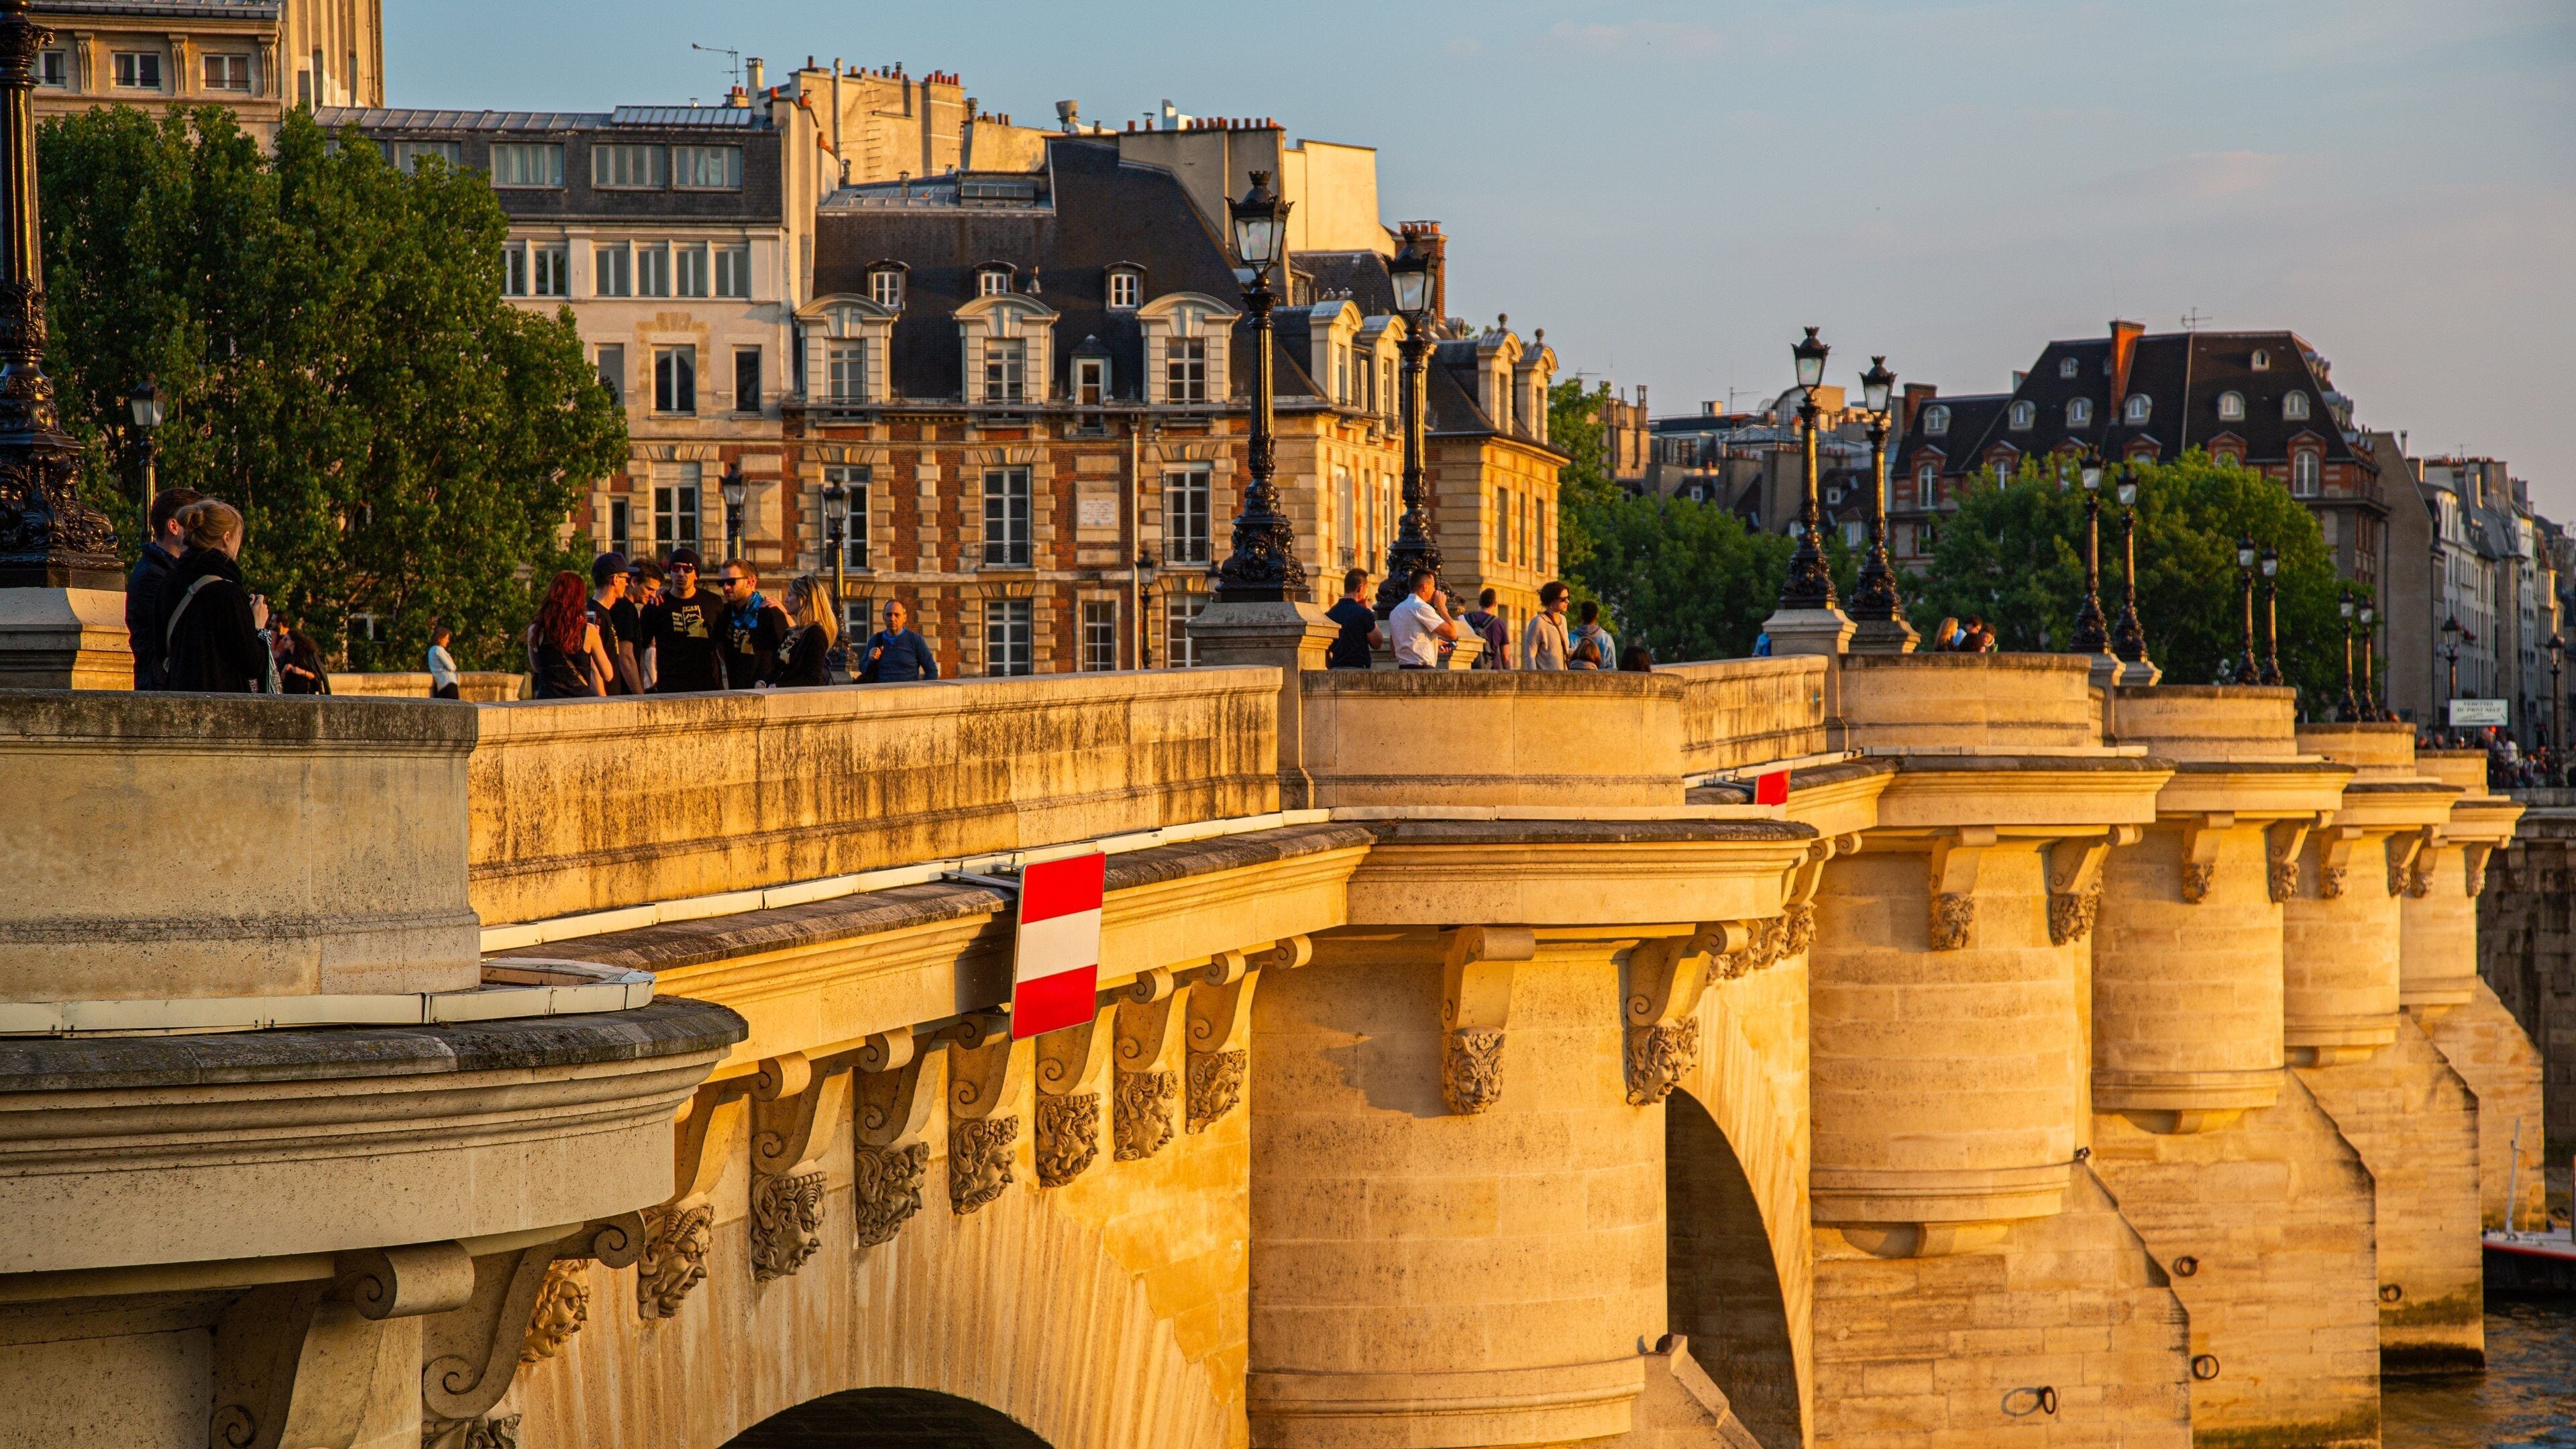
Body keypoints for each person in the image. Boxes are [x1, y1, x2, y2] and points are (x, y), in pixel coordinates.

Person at [158, 499, 273, 693]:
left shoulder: (169, 582)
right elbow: (252, 664)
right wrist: (257, 626)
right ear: (226, 537)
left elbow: (161, 647)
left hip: (177, 696)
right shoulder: (229, 593)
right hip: (223, 704)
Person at [125, 486, 203, 689]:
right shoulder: (152, 575)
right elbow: (179, 633)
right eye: (194, 522)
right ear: (174, 527)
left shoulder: (164, 570)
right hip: (162, 686)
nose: (202, 531)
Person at [641, 549, 724, 692]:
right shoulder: (656, 606)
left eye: (687, 569)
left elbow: (723, 644)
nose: (681, 574)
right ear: (670, 572)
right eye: (675, 568)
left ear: (696, 575)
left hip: (709, 686)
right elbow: (641, 648)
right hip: (670, 689)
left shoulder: (713, 602)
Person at [527, 570, 610, 698]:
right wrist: (594, 645)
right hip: (579, 702)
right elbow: (608, 674)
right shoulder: (589, 631)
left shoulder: (535, 629)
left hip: (546, 702)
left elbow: (537, 667)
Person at [717, 560, 792, 690]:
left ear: (751, 581)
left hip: (764, 690)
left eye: (731, 582)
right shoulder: (725, 613)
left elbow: (787, 652)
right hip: (736, 689)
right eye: (721, 583)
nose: (726, 587)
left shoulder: (770, 611)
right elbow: (721, 648)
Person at [767, 574, 838, 688]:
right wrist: (763, 682)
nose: (786, 600)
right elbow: (777, 668)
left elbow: (813, 679)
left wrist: (779, 686)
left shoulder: (815, 633)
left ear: (803, 599)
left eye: (790, 595)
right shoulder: (790, 632)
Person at [592, 552, 646, 695]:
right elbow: (593, 668)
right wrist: (603, 704)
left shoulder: (605, 613)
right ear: (615, 579)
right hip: (604, 703)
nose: (627, 583)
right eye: (625, 578)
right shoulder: (595, 616)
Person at [1387, 568, 1458, 669]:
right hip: (1423, 669)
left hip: (1403, 668)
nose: (1435, 591)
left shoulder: (1396, 611)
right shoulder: (1421, 607)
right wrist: (1442, 607)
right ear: (1425, 586)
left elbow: (1394, 650)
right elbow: (1452, 633)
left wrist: (1433, 644)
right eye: (1433, 587)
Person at [857, 598, 939, 682]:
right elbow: (863, 669)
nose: (892, 619)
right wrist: (871, 660)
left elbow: (932, 671)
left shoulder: (915, 640)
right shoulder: (875, 639)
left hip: (907, 693)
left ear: (904, 618)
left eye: (897, 615)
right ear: (883, 617)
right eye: (889, 615)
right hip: (882, 693)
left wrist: (921, 691)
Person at [1324, 568, 1383, 669]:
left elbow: (1326, 650)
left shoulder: (1330, 614)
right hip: (1358, 668)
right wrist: (1369, 611)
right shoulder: (1363, 613)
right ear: (1360, 588)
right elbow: (1377, 643)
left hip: (1336, 669)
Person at [627, 559, 667, 690]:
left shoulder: (629, 608)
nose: (653, 595)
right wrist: (639, 695)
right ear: (633, 582)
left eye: (656, 590)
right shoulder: (627, 610)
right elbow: (626, 657)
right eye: (649, 589)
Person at [1521, 581, 1572, 670]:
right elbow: (1530, 655)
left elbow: (1563, 650)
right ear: (1552, 601)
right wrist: (1534, 679)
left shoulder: (1563, 620)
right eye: (1563, 599)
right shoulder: (1539, 622)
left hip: (1563, 678)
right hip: (1545, 679)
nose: (1567, 601)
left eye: (1568, 598)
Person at [1462, 589, 1512, 669]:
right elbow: (1505, 657)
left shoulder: (1465, 618)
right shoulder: (1500, 624)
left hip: (1469, 666)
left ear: (1479, 602)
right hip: (1492, 668)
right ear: (1495, 604)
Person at [273, 623, 329, 694]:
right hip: (289, 695)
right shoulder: (285, 657)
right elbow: (279, 681)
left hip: (306, 694)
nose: (284, 642)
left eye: (286, 639)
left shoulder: (307, 656)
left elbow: (316, 677)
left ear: (293, 641)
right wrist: (284, 671)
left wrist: (302, 672)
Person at [1568, 600, 1616, 671]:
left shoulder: (1571, 637)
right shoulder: (1607, 639)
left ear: (1581, 616)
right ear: (1597, 616)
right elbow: (1612, 667)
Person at [426, 625, 460, 700]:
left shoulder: (432, 650)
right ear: (439, 638)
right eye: (446, 638)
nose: (448, 641)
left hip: (441, 684)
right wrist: (454, 666)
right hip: (448, 683)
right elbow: (451, 667)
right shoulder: (439, 650)